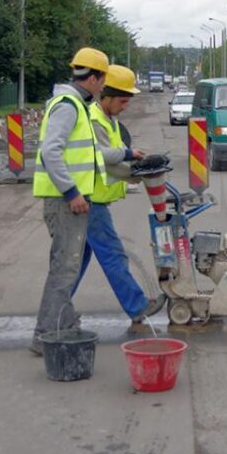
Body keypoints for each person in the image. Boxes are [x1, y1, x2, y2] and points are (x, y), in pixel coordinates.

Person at [30, 47, 109, 355]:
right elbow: (51, 151)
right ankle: (46, 335)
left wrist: (126, 155)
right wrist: (72, 192)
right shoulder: (68, 106)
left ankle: (63, 323)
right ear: (94, 78)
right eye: (103, 79)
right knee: (64, 270)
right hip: (64, 203)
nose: (103, 86)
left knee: (67, 268)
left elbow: (88, 154)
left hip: (67, 201)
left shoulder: (76, 104)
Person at [75, 64, 164, 327]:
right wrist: (135, 170)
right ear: (107, 96)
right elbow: (102, 158)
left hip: (91, 199)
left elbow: (116, 155)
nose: (126, 106)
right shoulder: (94, 120)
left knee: (74, 264)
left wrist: (135, 166)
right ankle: (137, 307)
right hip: (90, 200)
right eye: (123, 101)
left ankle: (54, 310)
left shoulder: (109, 119)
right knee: (113, 255)